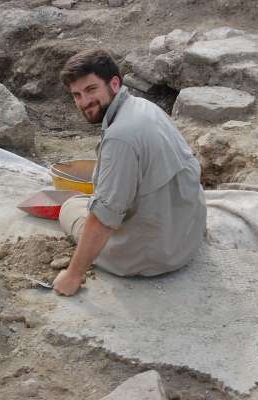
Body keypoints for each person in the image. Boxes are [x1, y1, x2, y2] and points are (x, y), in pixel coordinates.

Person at [52, 49, 207, 296]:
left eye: (91, 90)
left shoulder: (120, 138)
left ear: (114, 83)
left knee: (71, 207)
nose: (83, 102)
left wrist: (73, 275)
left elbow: (103, 218)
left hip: (155, 257)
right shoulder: (143, 106)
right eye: (77, 95)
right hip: (188, 235)